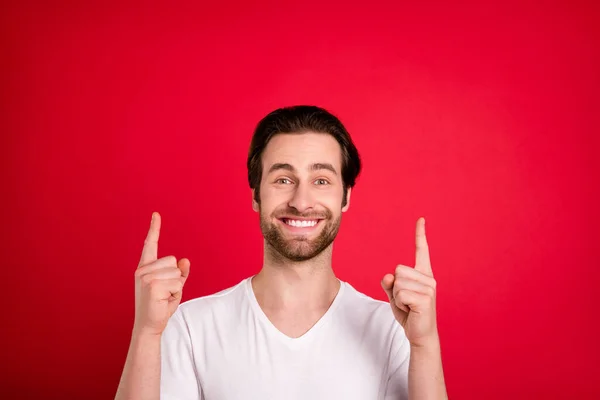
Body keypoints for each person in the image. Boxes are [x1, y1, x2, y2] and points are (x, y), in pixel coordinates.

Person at [115, 106, 447, 400]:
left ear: (345, 197)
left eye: (320, 181)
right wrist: (146, 333)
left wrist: (425, 345)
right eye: (283, 179)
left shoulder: (394, 329)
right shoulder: (190, 326)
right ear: (256, 195)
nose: (301, 202)